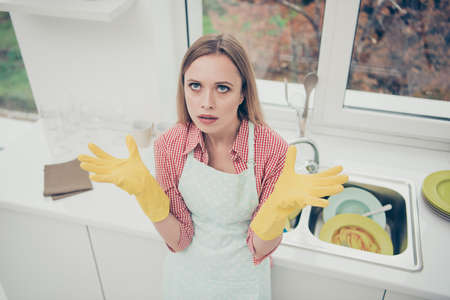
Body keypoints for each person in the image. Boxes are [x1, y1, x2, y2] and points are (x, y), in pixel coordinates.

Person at [78, 34, 348, 300]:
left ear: (243, 93)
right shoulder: (169, 146)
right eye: (195, 85)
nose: (207, 102)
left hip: (244, 281)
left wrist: (276, 213)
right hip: (186, 279)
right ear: (183, 88)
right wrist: (147, 195)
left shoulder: (271, 149)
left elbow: (257, 248)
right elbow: (180, 240)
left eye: (222, 88)